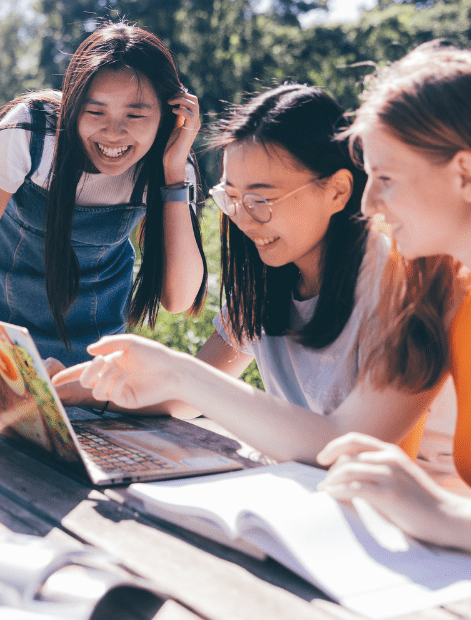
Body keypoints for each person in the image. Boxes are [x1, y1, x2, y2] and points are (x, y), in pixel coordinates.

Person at [58, 83, 449, 458]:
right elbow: (183, 398)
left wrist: (179, 372)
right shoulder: (268, 281)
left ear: (338, 191)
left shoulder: (402, 288)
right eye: (231, 198)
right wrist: (77, 386)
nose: (243, 220)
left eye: (261, 199)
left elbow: (348, 447)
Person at [314, 43, 471, 574]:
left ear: (466, 176)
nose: (367, 206)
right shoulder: (458, 308)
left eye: (386, 179)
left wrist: (445, 513)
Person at [0, 22, 207, 369]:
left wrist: (174, 172)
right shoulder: (32, 133)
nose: (113, 133)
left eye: (135, 114)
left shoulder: (169, 161)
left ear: (167, 114)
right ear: (73, 106)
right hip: (7, 348)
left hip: (98, 365)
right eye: (96, 111)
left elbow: (178, 298)